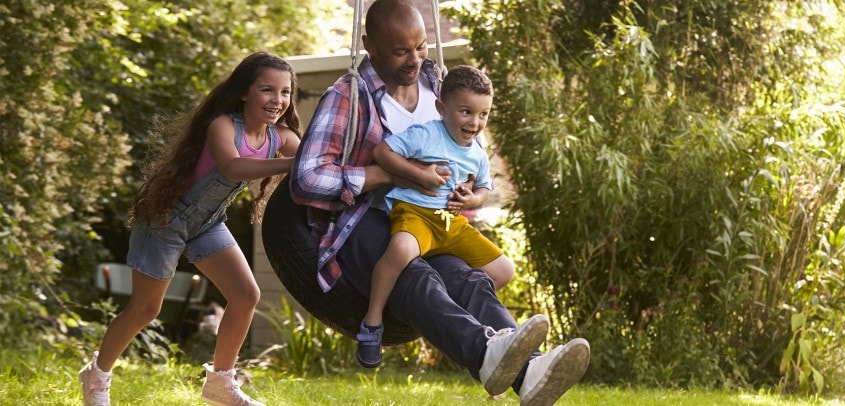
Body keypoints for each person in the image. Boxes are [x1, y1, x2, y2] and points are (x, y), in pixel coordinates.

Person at [290, 1, 590, 404]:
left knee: (471, 280)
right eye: (400, 52)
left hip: (431, 219)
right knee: (416, 276)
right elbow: (306, 179)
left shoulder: (438, 81)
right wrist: (394, 174)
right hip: (364, 220)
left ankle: (531, 371)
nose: (414, 59)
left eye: (421, 46)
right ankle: (486, 353)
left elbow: (467, 151)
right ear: (369, 45)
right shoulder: (349, 96)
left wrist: (466, 189)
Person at [78, 51, 302, 406]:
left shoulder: (280, 138)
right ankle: (96, 376)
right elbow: (231, 167)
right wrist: (296, 161)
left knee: (246, 295)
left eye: (285, 92)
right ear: (245, 91)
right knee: (145, 310)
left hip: (207, 223)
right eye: (267, 90)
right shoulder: (224, 126)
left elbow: (314, 161)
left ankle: (220, 384)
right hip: (166, 219)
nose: (277, 100)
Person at [358, 65, 515, 368]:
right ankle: (372, 321)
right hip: (415, 213)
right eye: (466, 112)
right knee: (401, 250)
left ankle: (459, 323)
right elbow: (382, 153)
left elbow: (484, 186)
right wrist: (420, 174)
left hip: (450, 222)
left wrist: (474, 198)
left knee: (503, 270)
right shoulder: (426, 134)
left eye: (483, 114)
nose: (475, 122)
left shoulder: (477, 153)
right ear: (442, 107)